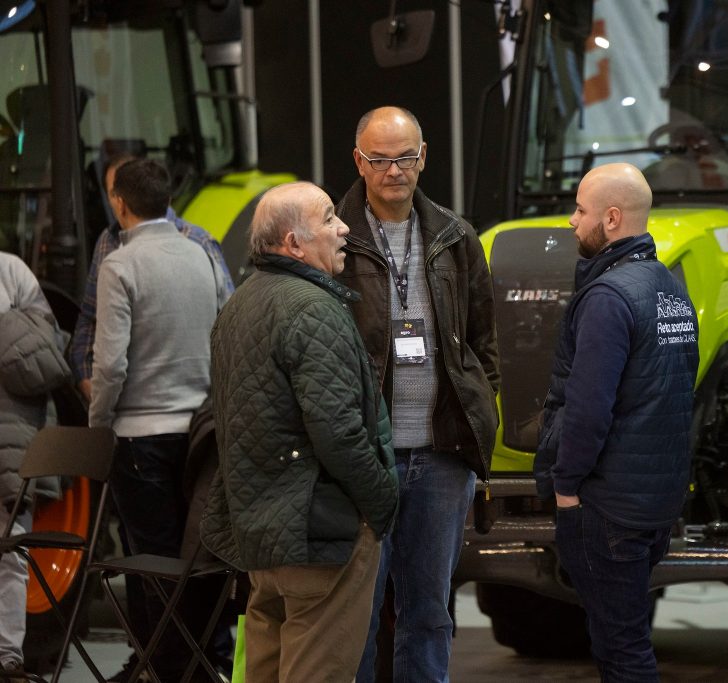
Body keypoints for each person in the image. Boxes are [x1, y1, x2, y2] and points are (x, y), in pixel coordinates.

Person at [200, 181, 399, 682]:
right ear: (293, 243)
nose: (344, 229)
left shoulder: (240, 305)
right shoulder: (313, 308)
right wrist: (381, 502)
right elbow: (338, 432)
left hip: (263, 539)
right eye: (330, 219)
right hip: (319, 535)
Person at [335, 106, 499, 682]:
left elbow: (483, 345)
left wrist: (481, 409)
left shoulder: (456, 237)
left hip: (440, 456)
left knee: (429, 612)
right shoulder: (334, 237)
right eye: (380, 159)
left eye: (405, 157)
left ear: (423, 156)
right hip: (364, 459)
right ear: (359, 161)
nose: (394, 171)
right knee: (355, 615)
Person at [533, 163, 700, 682]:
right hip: (652, 501)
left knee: (622, 652)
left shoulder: (608, 299)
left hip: (606, 507)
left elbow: (587, 407)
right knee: (625, 642)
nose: (570, 221)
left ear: (610, 218)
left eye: (580, 211)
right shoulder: (670, 288)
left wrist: (565, 488)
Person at [88, 158, 221, 682]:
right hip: (200, 434)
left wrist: (99, 425)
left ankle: (158, 668)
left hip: (139, 438)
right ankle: (188, 663)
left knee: (148, 561)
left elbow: (109, 363)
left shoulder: (120, 266)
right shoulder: (200, 255)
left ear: (119, 202)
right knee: (193, 559)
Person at [70, 153, 233, 403]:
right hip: (125, 403)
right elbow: (90, 317)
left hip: (192, 401)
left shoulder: (199, 242)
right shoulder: (107, 242)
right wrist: (85, 377)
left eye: (118, 194)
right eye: (111, 192)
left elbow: (229, 323)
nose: (114, 202)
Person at [0, 253, 70, 679]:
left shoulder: (10, 270)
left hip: (14, 444)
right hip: (18, 441)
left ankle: (8, 655)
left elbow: (47, 352)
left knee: (11, 548)